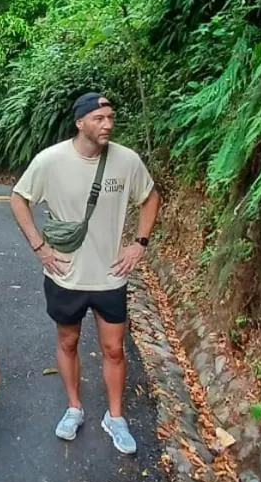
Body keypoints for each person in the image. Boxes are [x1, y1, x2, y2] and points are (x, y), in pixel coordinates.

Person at [10, 92, 160, 456]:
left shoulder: (126, 160)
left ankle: (115, 416)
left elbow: (151, 197)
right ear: (80, 123)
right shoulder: (50, 161)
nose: (108, 124)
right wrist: (39, 247)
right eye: (99, 118)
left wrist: (139, 243)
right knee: (68, 342)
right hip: (65, 275)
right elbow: (19, 198)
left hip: (110, 275)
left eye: (110, 117)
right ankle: (74, 407)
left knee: (114, 348)